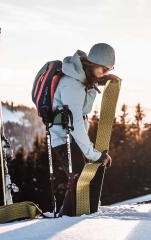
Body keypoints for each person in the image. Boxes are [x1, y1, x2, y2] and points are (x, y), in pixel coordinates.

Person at [50, 43, 121, 216]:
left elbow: (83, 111)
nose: (103, 74)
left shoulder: (83, 78)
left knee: (81, 179)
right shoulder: (72, 84)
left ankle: (74, 215)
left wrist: (97, 82)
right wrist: (94, 154)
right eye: (103, 70)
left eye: (108, 70)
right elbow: (75, 123)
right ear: (94, 63)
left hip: (72, 137)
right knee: (79, 179)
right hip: (63, 139)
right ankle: (66, 219)